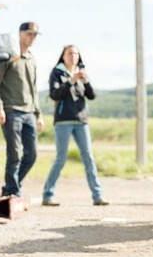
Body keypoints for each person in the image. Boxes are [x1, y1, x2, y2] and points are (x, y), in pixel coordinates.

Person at [41, 45, 107, 206]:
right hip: (63, 120)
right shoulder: (56, 72)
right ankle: (48, 195)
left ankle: (97, 196)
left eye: (76, 53)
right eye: (70, 53)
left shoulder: (81, 72)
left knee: (89, 157)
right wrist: (71, 81)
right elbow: (55, 94)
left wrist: (87, 81)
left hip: (81, 121)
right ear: (63, 56)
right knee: (61, 158)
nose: (73, 56)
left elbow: (91, 96)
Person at [0, 22, 45, 198]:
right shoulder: (8, 56)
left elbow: (34, 88)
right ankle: (13, 191)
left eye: (35, 35)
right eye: (29, 34)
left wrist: (38, 114)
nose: (32, 38)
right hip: (11, 110)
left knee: (31, 155)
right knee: (14, 153)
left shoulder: (32, 58)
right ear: (20, 34)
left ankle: (11, 186)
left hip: (29, 112)